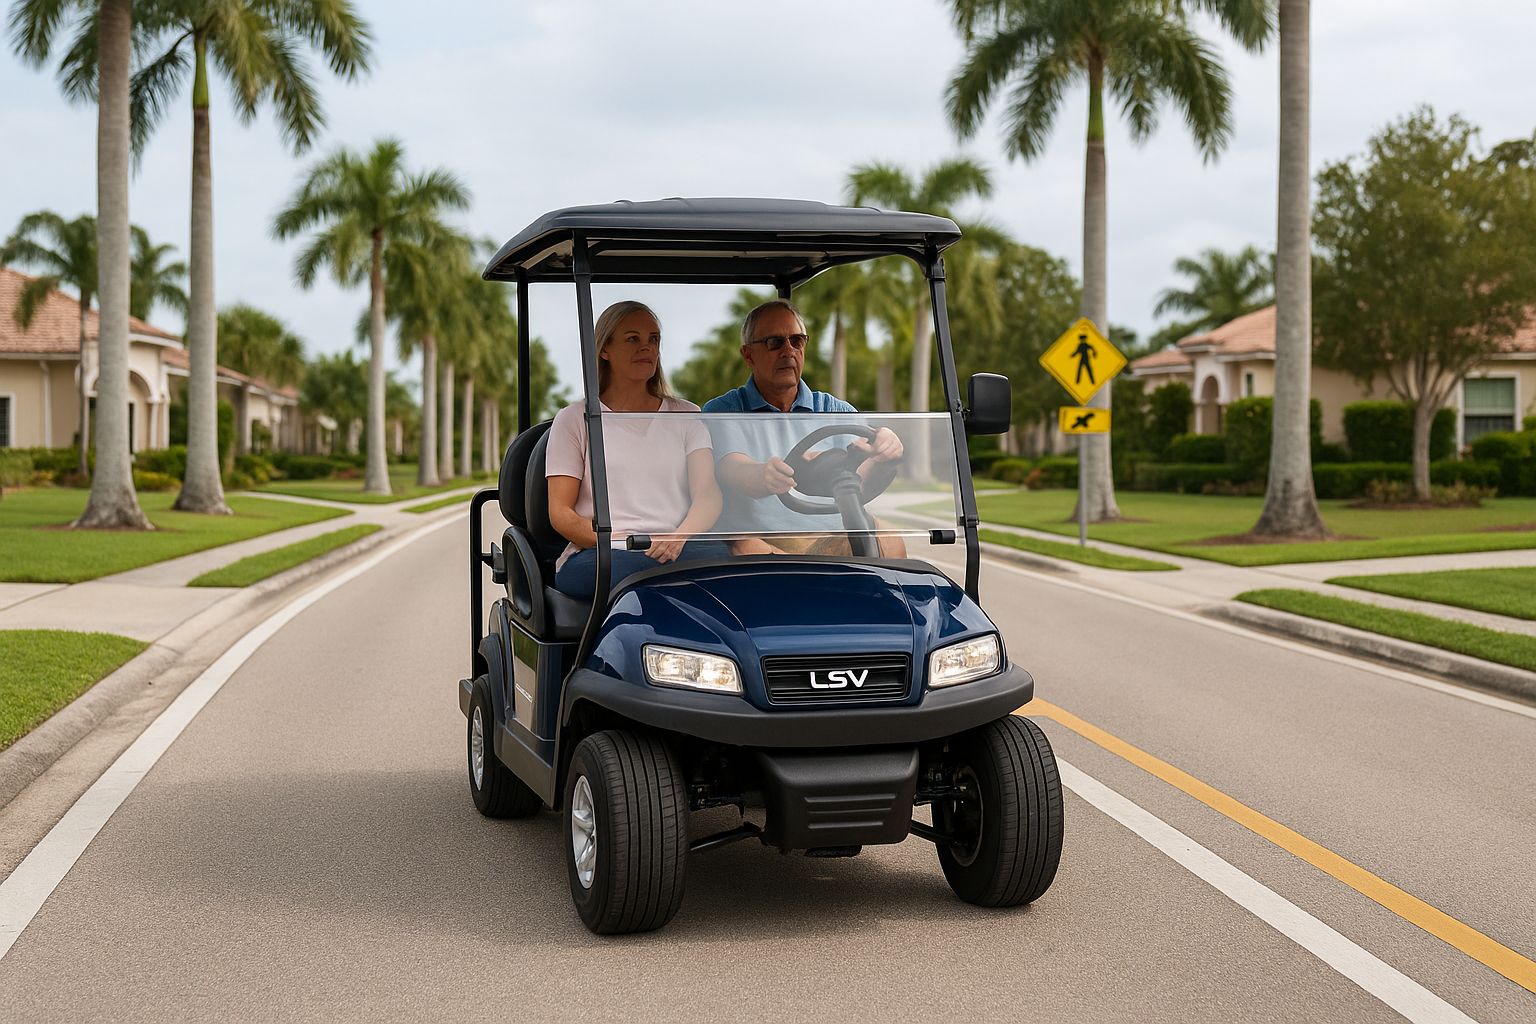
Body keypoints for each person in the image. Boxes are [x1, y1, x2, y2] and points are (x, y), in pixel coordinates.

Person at [547, 301, 727, 599]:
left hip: (676, 548)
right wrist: (614, 541)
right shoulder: (573, 419)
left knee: (724, 560)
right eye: (633, 339)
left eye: (653, 339)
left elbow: (708, 494)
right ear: (604, 349)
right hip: (605, 553)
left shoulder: (687, 415)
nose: (647, 347)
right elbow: (560, 512)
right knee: (634, 569)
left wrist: (678, 537)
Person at [701, 298, 906, 556]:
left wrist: (884, 452)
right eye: (775, 342)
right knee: (745, 545)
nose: (788, 351)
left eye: (796, 341)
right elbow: (732, 467)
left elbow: (863, 483)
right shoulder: (723, 411)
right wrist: (763, 474)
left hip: (833, 535)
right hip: (764, 541)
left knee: (888, 537)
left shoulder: (836, 410)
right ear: (748, 355)